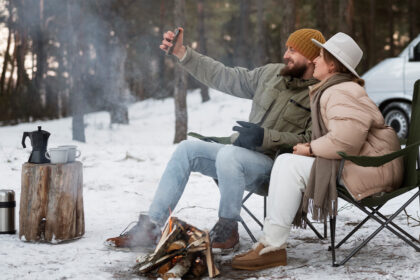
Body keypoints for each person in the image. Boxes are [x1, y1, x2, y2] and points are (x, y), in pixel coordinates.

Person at [105, 28, 326, 253]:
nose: (285, 55)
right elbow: (225, 76)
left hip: (276, 169)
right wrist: (183, 53)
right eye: (287, 48)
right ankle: (150, 228)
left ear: (310, 57)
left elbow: (311, 141)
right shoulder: (271, 74)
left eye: (293, 50)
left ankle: (227, 228)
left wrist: (265, 137)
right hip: (239, 159)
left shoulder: (318, 94)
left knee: (228, 154)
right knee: (187, 149)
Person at [230, 32, 404, 270]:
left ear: (332, 64)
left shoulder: (340, 91)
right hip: (367, 164)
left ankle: (271, 246)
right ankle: (269, 245)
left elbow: (345, 142)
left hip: (370, 168)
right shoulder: (336, 88)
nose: (315, 61)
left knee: (288, 164)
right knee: (288, 162)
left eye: (321, 56)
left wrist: (310, 148)